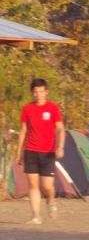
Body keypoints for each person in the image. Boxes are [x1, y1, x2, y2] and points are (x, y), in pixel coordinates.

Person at [15, 78, 65, 224]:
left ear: (46, 92)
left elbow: (60, 129)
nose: (38, 95)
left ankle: (50, 201)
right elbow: (23, 130)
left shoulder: (53, 108)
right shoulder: (27, 109)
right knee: (33, 185)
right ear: (32, 93)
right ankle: (36, 215)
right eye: (35, 92)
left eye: (41, 92)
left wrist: (60, 146)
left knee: (47, 186)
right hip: (30, 150)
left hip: (48, 152)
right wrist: (19, 152)